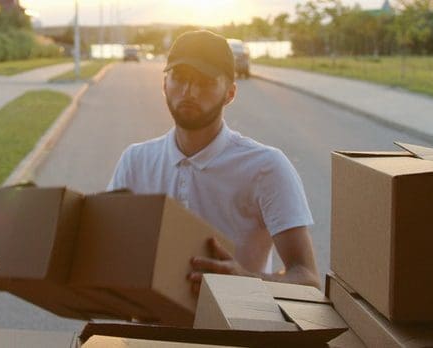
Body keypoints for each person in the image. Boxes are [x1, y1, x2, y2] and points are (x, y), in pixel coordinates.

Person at [107, 30, 319, 292]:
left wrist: (248, 282)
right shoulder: (135, 162)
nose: (189, 91)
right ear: (164, 85)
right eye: (179, 78)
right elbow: (110, 250)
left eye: (205, 82)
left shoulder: (266, 167)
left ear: (230, 93)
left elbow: (308, 278)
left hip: (233, 330)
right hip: (150, 329)